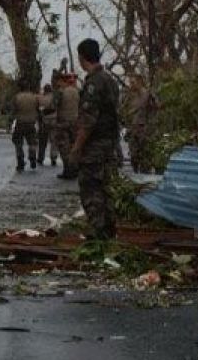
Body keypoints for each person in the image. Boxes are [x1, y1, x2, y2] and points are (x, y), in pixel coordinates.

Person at [68, 39, 121, 239]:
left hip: (95, 148)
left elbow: (88, 122)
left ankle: (99, 232)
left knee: (91, 189)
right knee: (107, 189)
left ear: (82, 58)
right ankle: (109, 231)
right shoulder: (110, 80)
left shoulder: (93, 84)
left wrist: (76, 149)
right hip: (110, 145)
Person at [122, 73, 158, 174]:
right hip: (133, 130)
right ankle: (136, 173)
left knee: (145, 158)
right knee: (134, 156)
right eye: (130, 83)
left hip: (144, 130)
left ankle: (145, 176)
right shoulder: (129, 97)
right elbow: (125, 113)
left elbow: (155, 110)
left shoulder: (147, 95)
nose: (131, 85)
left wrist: (150, 129)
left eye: (133, 82)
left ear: (139, 82)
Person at [54, 72, 81, 180]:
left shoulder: (61, 92)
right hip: (76, 122)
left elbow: (53, 105)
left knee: (64, 147)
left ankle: (68, 170)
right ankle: (76, 168)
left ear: (63, 81)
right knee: (74, 146)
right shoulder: (78, 91)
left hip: (63, 123)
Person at [10, 79, 40, 171]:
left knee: (18, 143)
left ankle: (20, 162)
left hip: (20, 123)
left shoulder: (17, 97)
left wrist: (10, 120)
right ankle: (32, 157)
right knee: (32, 142)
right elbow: (37, 109)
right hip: (31, 123)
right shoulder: (34, 97)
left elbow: (13, 110)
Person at [36, 83, 56, 167]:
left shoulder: (41, 98)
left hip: (44, 120)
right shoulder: (55, 97)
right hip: (54, 119)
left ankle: (41, 158)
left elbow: (38, 109)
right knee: (54, 140)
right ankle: (53, 157)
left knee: (42, 141)